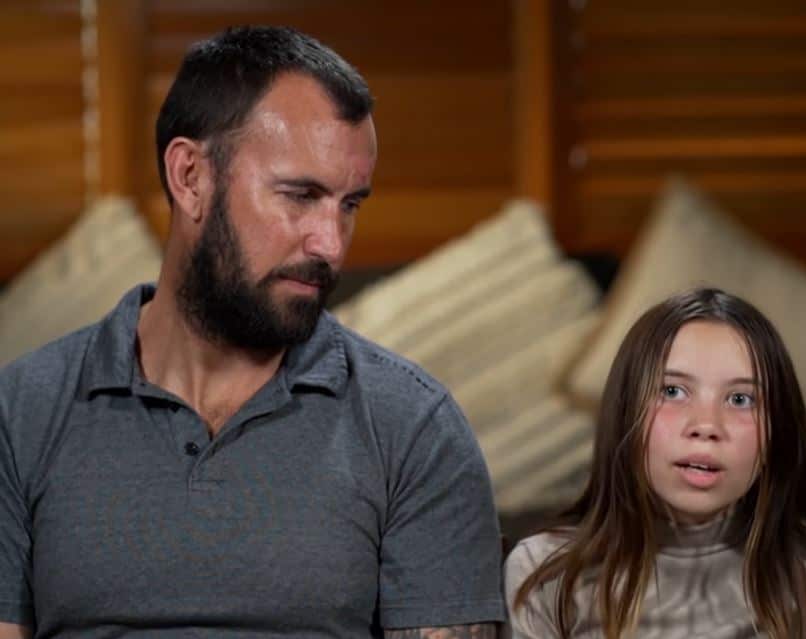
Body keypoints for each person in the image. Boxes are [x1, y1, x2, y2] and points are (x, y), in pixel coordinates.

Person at [0, 26, 503, 638]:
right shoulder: (20, 413)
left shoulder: (415, 429)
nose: (331, 244)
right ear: (190, 178)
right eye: (300, 195)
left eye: (350, 204)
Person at [504, 288, 806, 638]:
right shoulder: (547, 576)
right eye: (672, 391)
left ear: (777, 432)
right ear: (624, 413)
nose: (707, 426)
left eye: (741, 399)